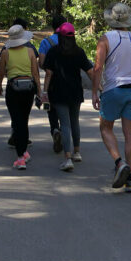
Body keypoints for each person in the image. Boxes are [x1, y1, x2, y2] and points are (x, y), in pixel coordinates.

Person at [91, 2, 131, 191]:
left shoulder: (105, 39)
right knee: (130, 133)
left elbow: (98, 67)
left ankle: (119, 163)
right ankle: (130, 177)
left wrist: (94, 91)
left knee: (105, 127)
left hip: (113, 88)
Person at [43, 22, 94, 172]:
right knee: (74, 122)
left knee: (64, 124)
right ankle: (77, 152)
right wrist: (98, 87)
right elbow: (90, 71)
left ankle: (67, 158)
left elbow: (48, 73)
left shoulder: (53, 52)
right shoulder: (79, 51)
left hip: (58, 92)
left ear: (60, 36)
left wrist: (44, 92)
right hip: (75, 92)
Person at [0, 23, 43, 170]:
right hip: (28, 88)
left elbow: (1, 71)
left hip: (13, 89)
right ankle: (24, 151)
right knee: (24, 119)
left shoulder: (5, 52)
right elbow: (35, 73)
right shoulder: (30, 51)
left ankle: (21, 157)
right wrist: (39, 90)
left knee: (17, 122)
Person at [38, 14, 66, 153]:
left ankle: (55, 129)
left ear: (53, 27)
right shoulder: (70, 40)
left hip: (51, 81)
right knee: (66, 110)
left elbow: (41, 63)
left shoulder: (45, 42)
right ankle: (63, 132)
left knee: (51, 109)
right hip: (68, 80)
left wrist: (49, 69)